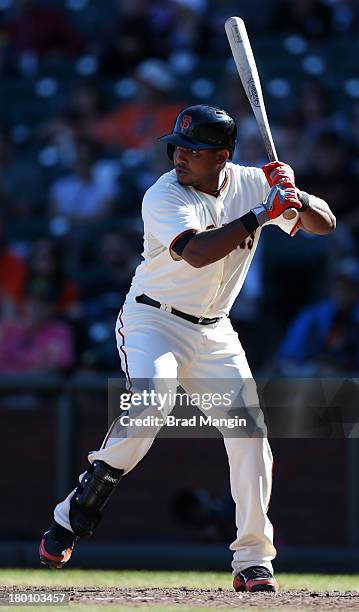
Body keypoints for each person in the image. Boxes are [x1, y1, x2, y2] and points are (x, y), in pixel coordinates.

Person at [39, 105, 335, 592]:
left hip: (216, 331)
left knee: (250, 438)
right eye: (176, 147)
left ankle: (253, 560)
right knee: (150, 405)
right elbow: (197, 253)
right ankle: (77, 510)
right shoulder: (163, 192)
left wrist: (295, 195)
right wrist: (264, 212)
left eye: (192, 151)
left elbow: (327, 224)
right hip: (152, 318)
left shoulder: (251, 181)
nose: (178, 156)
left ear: (221, 156)